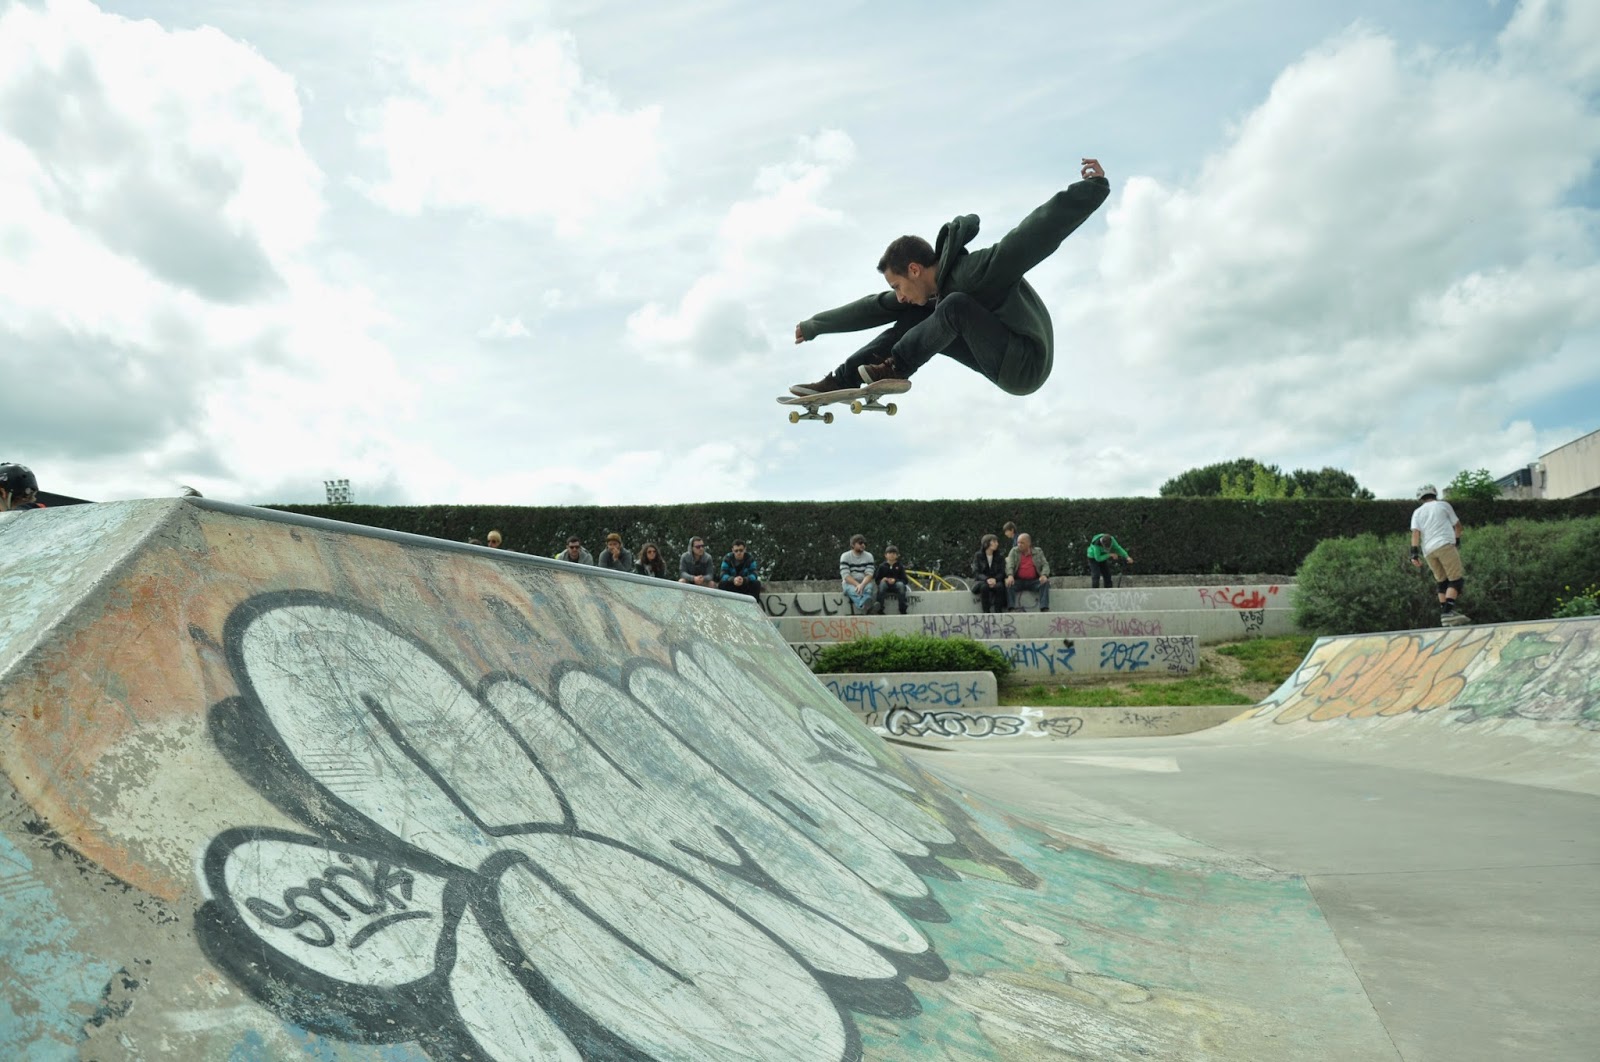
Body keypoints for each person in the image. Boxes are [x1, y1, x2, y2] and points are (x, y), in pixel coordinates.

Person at [789, 159, 1110, 397]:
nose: (899, 295)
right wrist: (815, 325)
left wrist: (1091, 189)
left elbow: (1031, 236)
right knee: (917, 316)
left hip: (1026, 363)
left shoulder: (975, 271)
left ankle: (897, 367)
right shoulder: (926, 296)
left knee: (953, 306)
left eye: (897, 286)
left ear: (915, 270)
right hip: (993, 355)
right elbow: (873, 308)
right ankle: (840, 380)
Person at [1410, 485, 1470, 626]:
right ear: (1435, 494)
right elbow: (1458, 526)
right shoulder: (1443, 505)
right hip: (1444, 544)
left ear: (1420, 498)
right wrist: (1457, 540)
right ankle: (1447, 612)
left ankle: (1445, 614)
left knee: (1442, 582)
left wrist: (1414, 554)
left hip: (1428, 551)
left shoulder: (1417, 512)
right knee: (1456, 580)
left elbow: (1415, 533)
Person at [1006, 532, 1052, 612]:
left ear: (1029, 543)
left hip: (1033, 581)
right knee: (1009, 584)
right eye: (1018, 543)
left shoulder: (1038, 551)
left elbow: (1045, 565)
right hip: (1018, 581)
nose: (1019, 545)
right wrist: (1010, 575)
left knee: (1045, 583)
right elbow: (1010, 564)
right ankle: (1011, 608)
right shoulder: (1014, 551)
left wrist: (1044, 575)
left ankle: (1044, 607)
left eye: (1022, 543)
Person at [839, 533, 876, 613]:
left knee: (869, 588)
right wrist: (857, 585)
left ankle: (864, 605)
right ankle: (867, 606)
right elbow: (846, 575)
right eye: (860, 543)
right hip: (849, 583)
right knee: (854, 590)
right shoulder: (845, 556)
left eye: (864, 543)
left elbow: (869, 574)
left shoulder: (869, 556)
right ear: (853, 544)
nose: (863, 545)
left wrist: (862, 585)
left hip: (864, 582)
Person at [972, 534, 1008, 614]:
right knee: (984, 587)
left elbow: (1002, 572)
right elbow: (976, 572)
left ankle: (998, 610)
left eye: (997, 542)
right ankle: (986, 611)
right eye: (994, 542)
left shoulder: (1000, 556)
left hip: (996, 580)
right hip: (982, 581)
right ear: (986, 543)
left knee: (1000, 586)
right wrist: (986, 579)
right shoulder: (978, 555)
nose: (997, 544)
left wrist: (995, 579)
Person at [872, 544, 909, 615]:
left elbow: (905, 580)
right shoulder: (882, 566)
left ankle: (902, 609)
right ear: (885, 555)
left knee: (901, 585)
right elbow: (877, 580)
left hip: (896, 585)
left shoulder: (900, 566)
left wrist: (895, 580)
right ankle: (879, 609)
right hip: (885, 585)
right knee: (882, 585)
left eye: (894, 553)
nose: (892, 555)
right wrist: (883, 580)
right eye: (890, 553)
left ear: (897, 555)